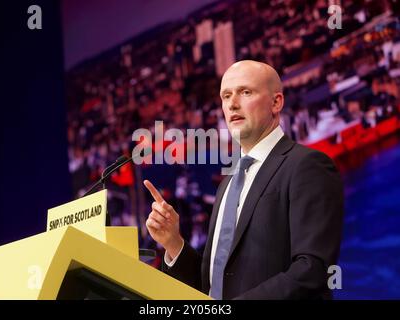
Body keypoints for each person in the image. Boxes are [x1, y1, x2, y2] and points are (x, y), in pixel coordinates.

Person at [143, 60, 344, 300]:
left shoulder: (306, 166)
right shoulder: (227, 184)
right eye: (226, 96)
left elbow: (313, 270)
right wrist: (174, 243)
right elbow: (213, 285)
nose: (233, 104)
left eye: (245, 92)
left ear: (276, 102)